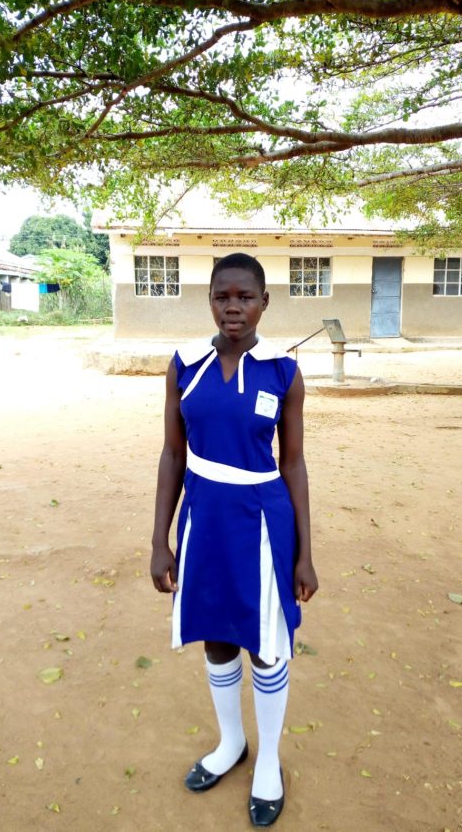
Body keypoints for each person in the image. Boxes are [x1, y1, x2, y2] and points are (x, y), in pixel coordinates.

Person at [151, 252, 318, 827]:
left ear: (264, 303)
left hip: (263, 521)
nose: (233, 307)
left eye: (245, 297)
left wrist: (306, 552)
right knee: (216, 637)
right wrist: (159, 540)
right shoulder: (185, 365)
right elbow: (173, 453)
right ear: (210, 300)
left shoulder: (283, 372)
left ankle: (267, 760)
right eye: (223, 296)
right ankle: (231, 743)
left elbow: (293, 464)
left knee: (266, 644)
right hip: (204, 520)